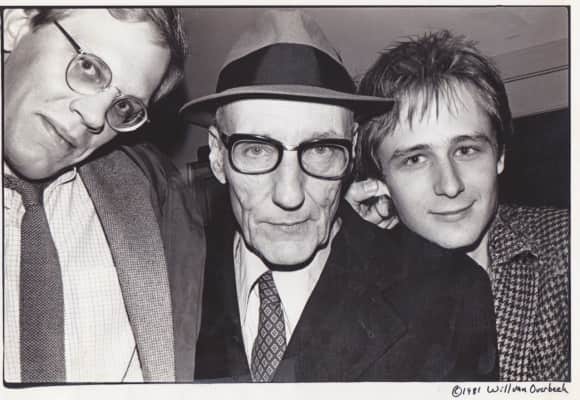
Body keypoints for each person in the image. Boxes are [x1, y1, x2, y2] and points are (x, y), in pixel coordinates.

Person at [180, 10, 498, 382]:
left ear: (353, 148)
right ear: (217, 156)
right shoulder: (169, 277)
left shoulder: (450, 296)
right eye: (256, 150)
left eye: (321, 150)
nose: (290, 195)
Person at [347, 30, 569, 381]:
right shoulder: (354, 288)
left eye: (466, 150)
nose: (450, 185)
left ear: (500, 155)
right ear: (380, 178)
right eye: (415, 159)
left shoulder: (566, 249)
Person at [3, 8, 205, 383]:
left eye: (123, 106)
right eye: (89, 67)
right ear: (15, 27)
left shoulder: (153, 202)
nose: (96, 118)